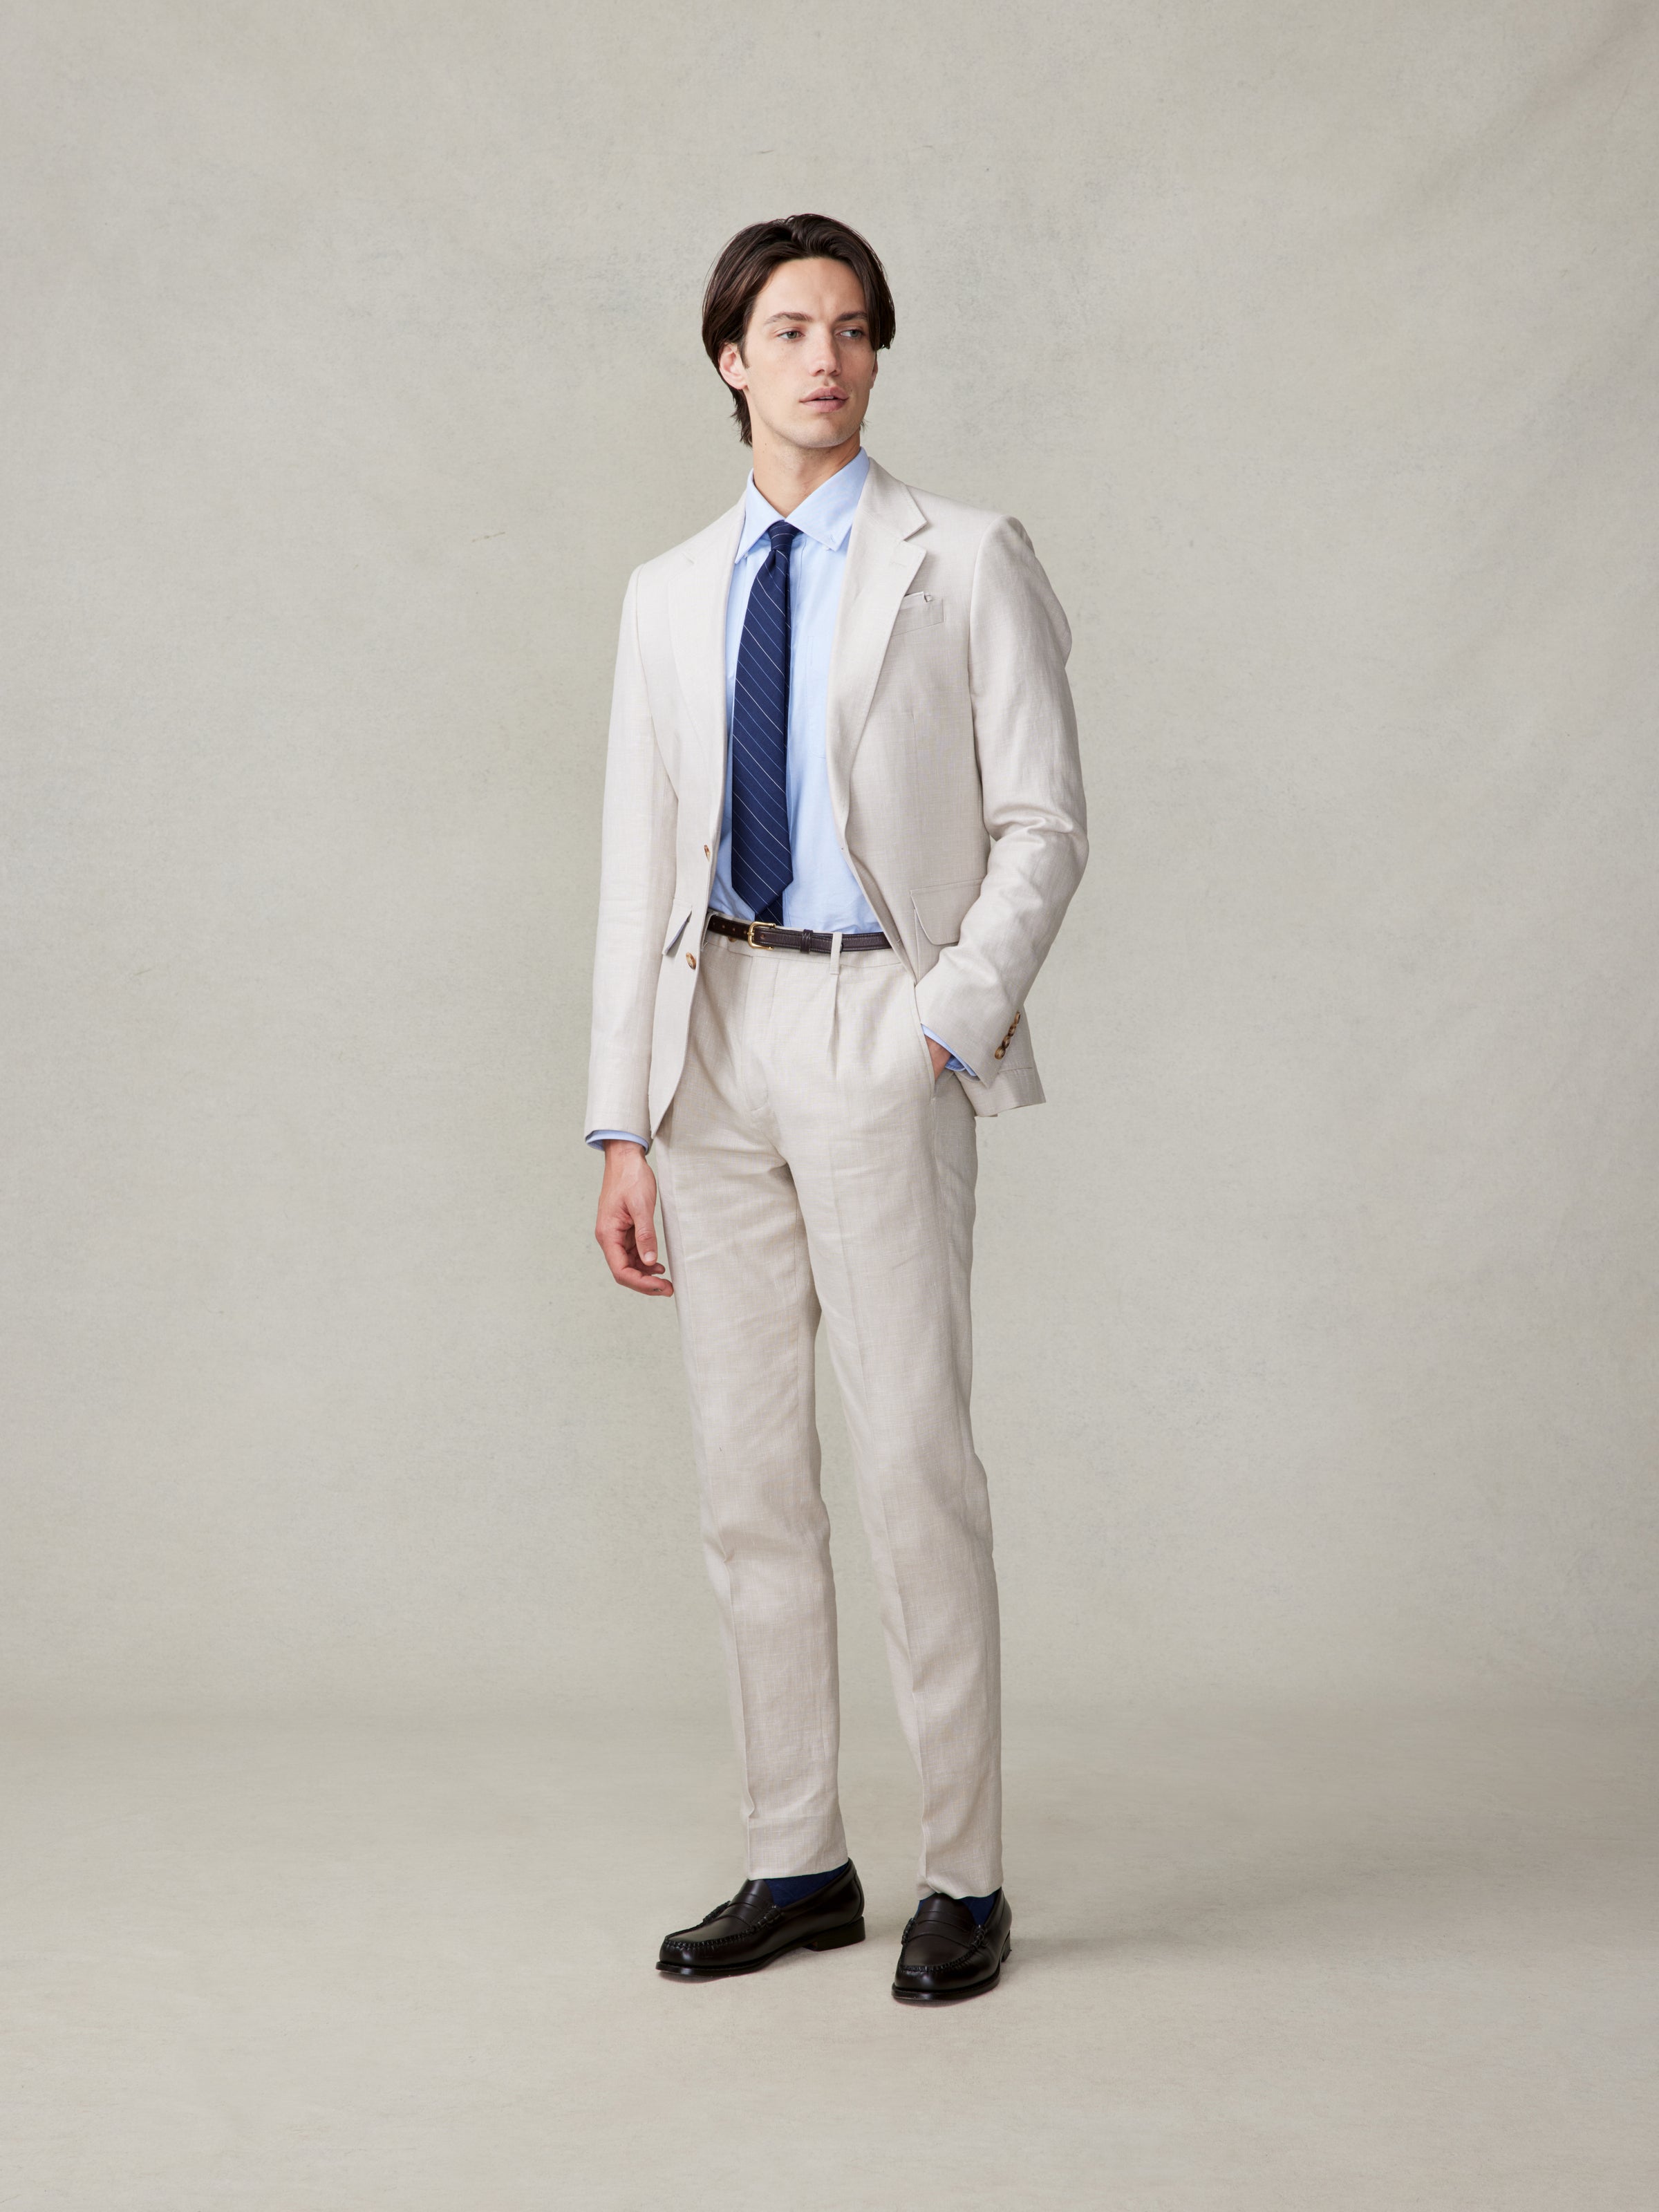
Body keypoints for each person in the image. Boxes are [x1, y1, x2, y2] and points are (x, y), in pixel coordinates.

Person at [585, 213, 1086, 2005]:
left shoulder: (966, 559)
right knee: (746, 1480)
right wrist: (622, 1121)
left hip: (883, 1017)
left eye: (856, 329)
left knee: (913, 1466)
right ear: (730, 358)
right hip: (711, 1030)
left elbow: (1044, 820)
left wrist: (947, 1022)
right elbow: (635, 860)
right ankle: (797, 1856)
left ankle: (966, 1875)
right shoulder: (666, 591)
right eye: (791, 327)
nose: (827, 357)